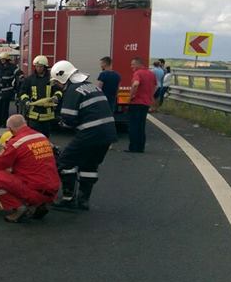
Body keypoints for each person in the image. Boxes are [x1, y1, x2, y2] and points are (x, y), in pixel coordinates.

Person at [50, 60, 116, 211]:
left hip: (90, 133)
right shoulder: (92, 86)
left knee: (65, 161)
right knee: (89, 165)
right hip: (107, 133)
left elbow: (68, 118)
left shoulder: (73, 90)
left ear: (63, 77)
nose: (57, 86)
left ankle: (68, 199)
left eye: (57, 82)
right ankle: (83, 200)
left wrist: (59, 121)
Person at [0, 114, 60, 222]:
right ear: (25, 124)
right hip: (52, 189)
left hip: (35, 191)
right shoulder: (41, 137)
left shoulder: (16, 143)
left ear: (10, 129)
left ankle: (19, 208)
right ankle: (38, 204)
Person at [18, 55, 61, 137]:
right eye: (37, 66)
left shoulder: (51, 79)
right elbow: (22, 93)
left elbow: (59, 91)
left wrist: (56, 97)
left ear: (45, 67)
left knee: (45, 137)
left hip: (48, 115)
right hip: (33, 115)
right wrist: (26, 101)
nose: (38, 68)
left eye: (40, 66)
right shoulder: (30, 79)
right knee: (33, 137)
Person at [128, 57, 156, 153]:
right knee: (141, 125)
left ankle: (133, 147)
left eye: (133, 64)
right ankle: (141, 147)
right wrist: (150, 97)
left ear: (138, 64)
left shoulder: (138, 73)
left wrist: (131, 96)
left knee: (133, 126)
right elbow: (155, 86)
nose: (131, 66)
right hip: (146, 103)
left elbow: (135, 84)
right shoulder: (151, 74)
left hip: (136, 103)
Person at [0, 53, 18, 127]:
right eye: (1, 59)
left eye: (4, 59)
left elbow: (19, 74)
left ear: (7, 60)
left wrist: (16, 87)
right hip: (0, 91)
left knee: (4, 108)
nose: (2, 61)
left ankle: (4, 123)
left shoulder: (12, 67)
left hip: (7, 90)